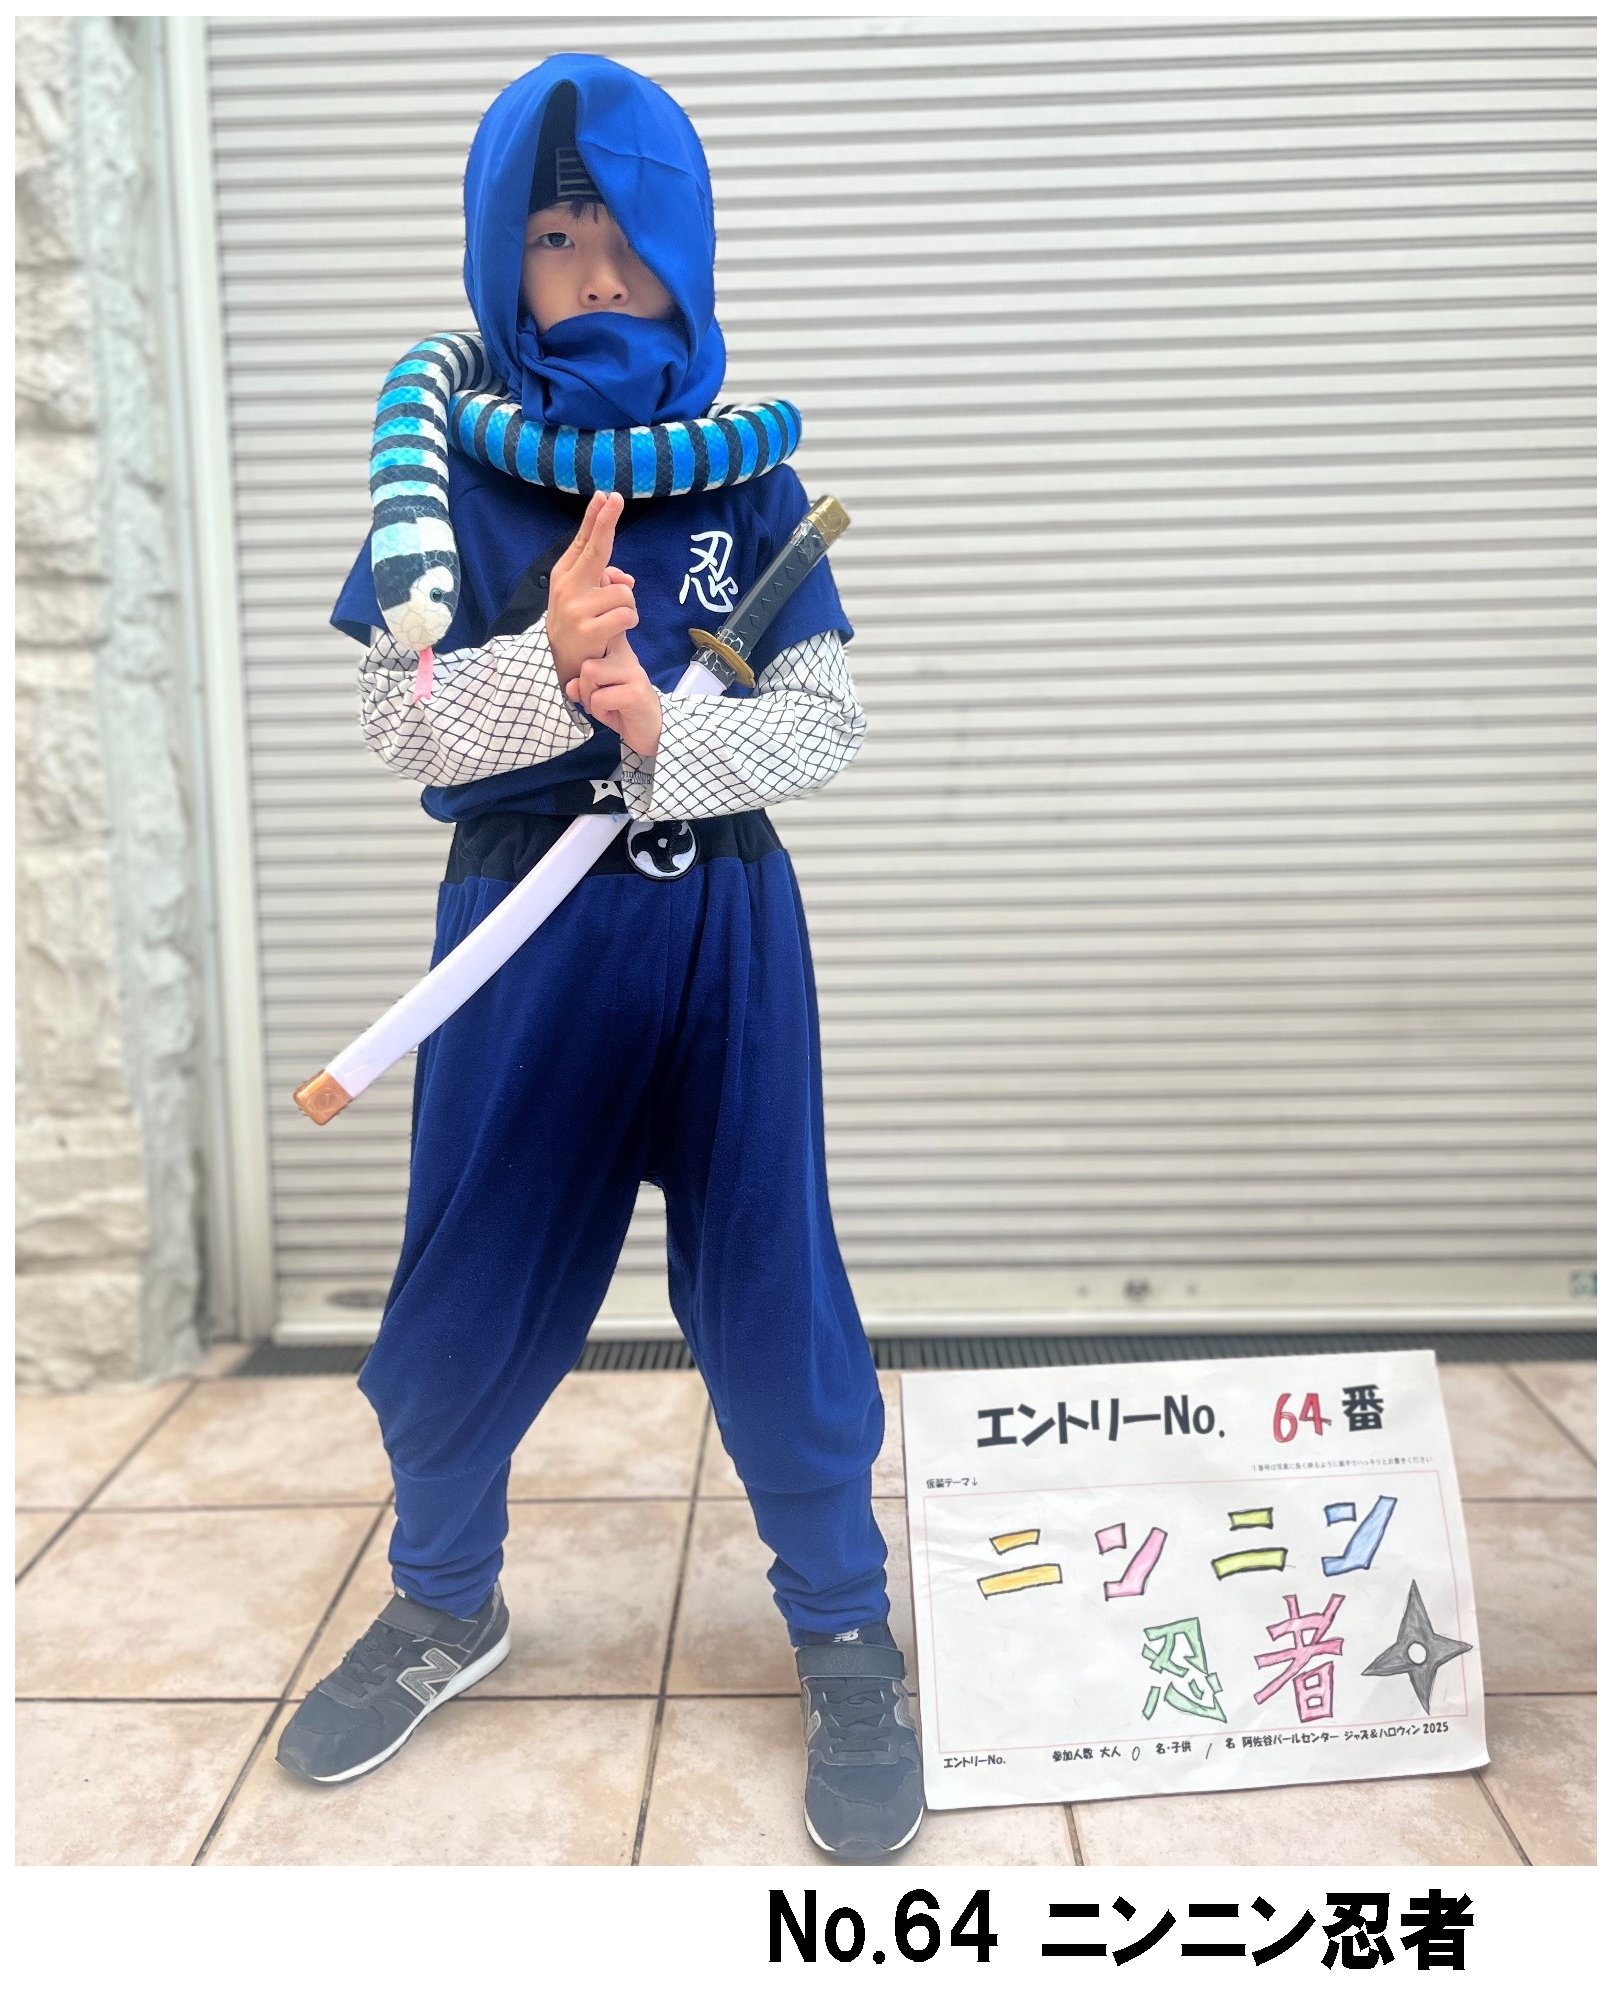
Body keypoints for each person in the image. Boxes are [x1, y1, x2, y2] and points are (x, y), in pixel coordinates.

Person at [274, 52, 924, 1860]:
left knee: (777, 1295)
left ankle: (844, 1630)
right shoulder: (453, 481)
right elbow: (395, 722)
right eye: (557, 236)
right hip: (519, 935)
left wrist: (658, 726)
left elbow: (828, 719)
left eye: (631, 232)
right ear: (505, 252)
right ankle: (444, 1598)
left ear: (686, 245)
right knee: (464, 1291)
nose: (600, 271)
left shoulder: (754, 480)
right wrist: (545, 672)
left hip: (723, 927)